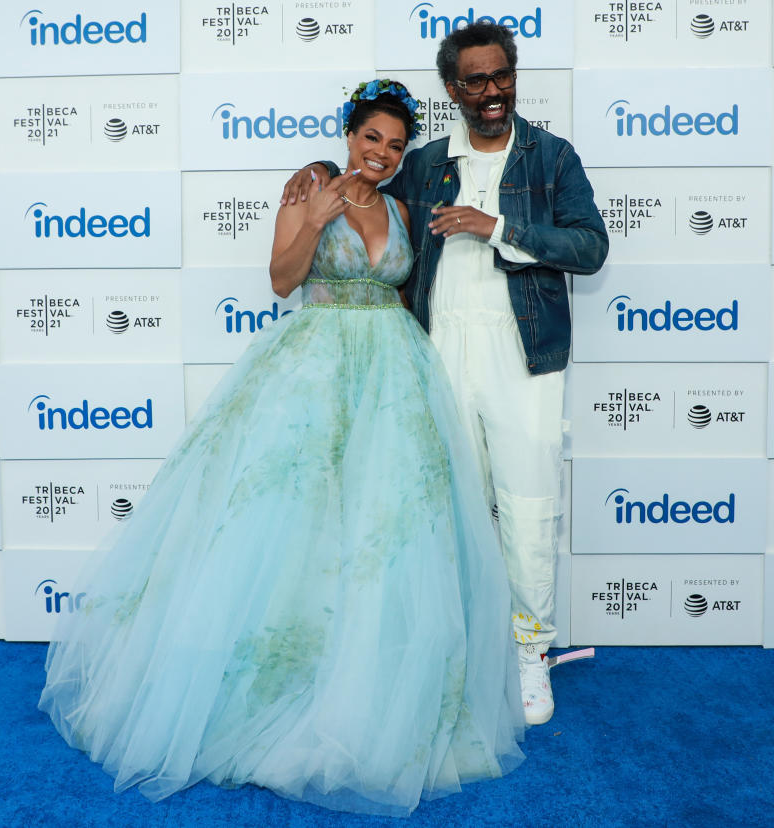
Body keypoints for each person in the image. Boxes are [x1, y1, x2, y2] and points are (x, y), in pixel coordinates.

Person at [39, 79, 525, 817]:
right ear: (349, 134)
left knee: (381, 532)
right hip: (311, 368)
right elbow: (281, 281)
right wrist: (314, 215)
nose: (383, 154)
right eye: (372, 138)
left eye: (395, 145)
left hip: (392, 376)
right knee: (290, 522)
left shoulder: (400, 208)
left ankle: (367, 685)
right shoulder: (307, 193)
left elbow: (398, 295)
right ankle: (277, 684)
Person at [282, 22, 609, 726]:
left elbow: (589, 248)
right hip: (435, 356)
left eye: (501, 76)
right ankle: (451, 649)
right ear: (453, 90)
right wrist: (311, 174)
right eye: (474, 81)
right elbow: (362, 180)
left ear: (514, 76)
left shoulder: (552, 158)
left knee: (526, 509)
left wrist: (498, 229)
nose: (490, 92)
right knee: (434, 511)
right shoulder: (427, 163)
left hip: (524, 356)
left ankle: (528, 652)